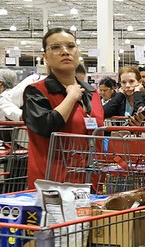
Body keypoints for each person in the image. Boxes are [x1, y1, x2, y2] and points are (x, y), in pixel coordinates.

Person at [23, 27, 104, 187]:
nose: (65, 51)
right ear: (45, 57)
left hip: (90, 183)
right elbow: (47, 126)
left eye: (71, 46)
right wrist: (71, 97)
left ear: (78, 52)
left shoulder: (92, 92)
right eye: (55, 47)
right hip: (53, 185)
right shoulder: (36, 91)